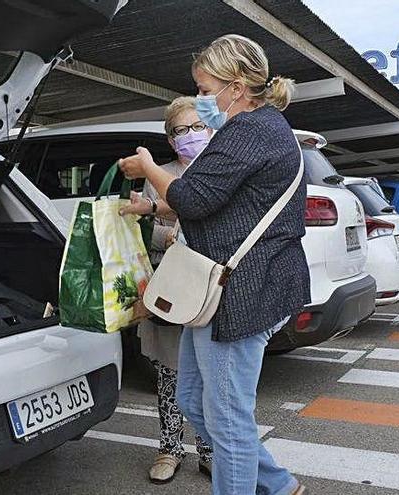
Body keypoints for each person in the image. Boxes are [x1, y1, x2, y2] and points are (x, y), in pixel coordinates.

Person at [118, 34, 310, 495]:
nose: (202, 100)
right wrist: (152, 208)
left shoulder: (249, 131)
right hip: (231, 289)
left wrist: (148, 167)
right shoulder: (261, 129)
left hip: (239, 294)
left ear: (238, 85)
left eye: (206, 90)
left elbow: (191, 196)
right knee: (194, 400)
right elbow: (220, 206)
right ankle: (280, 485)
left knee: (227, 421)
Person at [118, 96, 214, 484]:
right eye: (180, 131)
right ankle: (169, 448)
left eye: (197, 127)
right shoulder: (160, 174)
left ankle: (209, 449)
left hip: (211, 290)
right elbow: (143, 230)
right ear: (171, 140)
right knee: (170, 375)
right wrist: (168, 233)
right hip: (171, 288)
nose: (189, 136)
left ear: (211, 129)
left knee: (211, 377)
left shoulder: (220, 170)